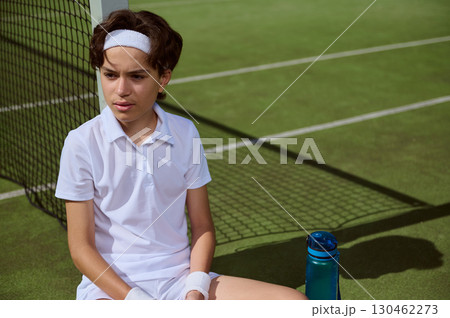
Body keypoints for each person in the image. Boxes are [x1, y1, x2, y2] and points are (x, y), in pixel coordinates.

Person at [55, 9, 307, 300]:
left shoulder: (185, 132)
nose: (120, 89)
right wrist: (136, 301)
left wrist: (196, 289)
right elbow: (81, 248)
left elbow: (202, 227)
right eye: (110, 75)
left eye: (137, 76)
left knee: (293, 302)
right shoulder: (80, 142)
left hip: (179, 280)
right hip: (109, 290)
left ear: (163, 78)